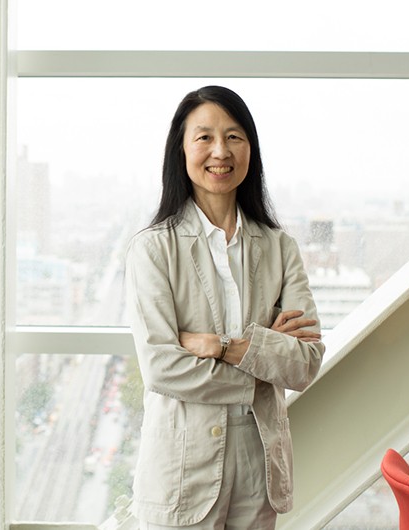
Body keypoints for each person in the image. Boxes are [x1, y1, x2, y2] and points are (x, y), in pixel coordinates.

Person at [124, 85, 325, 530]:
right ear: (181, 149)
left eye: (234, 136)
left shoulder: (278, 247)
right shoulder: (154, 249)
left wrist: (222, 346)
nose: (220, 151)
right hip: (181, 468)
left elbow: (305, 364)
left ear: (250, 148)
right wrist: (267, 354)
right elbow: (161, 368)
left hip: (260, 466)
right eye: (204, 137)